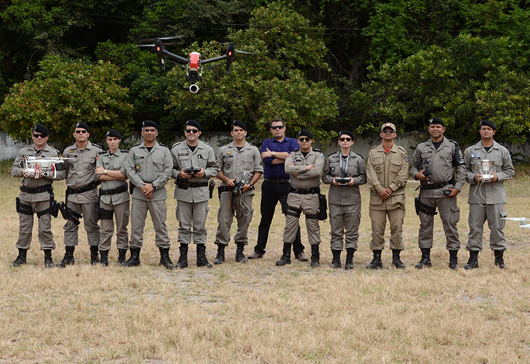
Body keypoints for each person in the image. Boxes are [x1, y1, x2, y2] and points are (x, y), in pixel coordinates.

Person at [410, 117, 466, 269]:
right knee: (425, 225)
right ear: (428, 129)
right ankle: (425, 258)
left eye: (438, 127)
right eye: (432, 126)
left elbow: (461, 168)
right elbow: (413, 166)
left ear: (443, 129)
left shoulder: (452, 146)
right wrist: (417, 175)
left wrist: (458, 188)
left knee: (450, 224)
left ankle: (453, 259)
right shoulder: (421, 146)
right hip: (426, 193)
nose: (435, 129)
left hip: (446, 192)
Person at [249, 118, 307, 263]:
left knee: (292, 218)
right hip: (269, 184)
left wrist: (273, 154)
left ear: (284, 128)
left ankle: (299, 251)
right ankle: (259, 250)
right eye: (274, 127)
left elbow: (295, 157)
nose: (277, 129)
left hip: (288, 184)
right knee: (265, 219)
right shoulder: (266, 143)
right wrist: (285, 157)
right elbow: (266, 160)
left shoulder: (293, 142)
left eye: (280, 127)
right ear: (271, 130)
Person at [10, 124, 66, 268]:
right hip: (25, 195)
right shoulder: (24, 151)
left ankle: (48, 258)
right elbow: (13, 170)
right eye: (36, 135)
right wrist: (23, 171)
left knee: (45, 228)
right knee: (24, 228)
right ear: (32, 136)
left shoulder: (53, 153)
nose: (39, 138)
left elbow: (61, 174)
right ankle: (21, 256)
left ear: (47, 137)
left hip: (43, 195)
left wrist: (45, 174)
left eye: (42, 135)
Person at [463, 119, 514, 269]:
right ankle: (473, 259)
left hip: (496, 195)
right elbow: (463, 171)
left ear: (494, 132)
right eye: (483, 129)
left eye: (489, 129)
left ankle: (499, 259)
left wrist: (497, 176)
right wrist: (474, 177)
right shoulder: (470, 151)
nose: (486, 131)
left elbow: (510, 171)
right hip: (477, 196)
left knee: (497, 227)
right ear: (479, 131)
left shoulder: (502, 151)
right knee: (474, 227)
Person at [124, 120, 174, 269]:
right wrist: (142, 186)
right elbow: (129, 170)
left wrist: (153, 186)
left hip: (157, 193)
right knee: (136, 226)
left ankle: (164, 257)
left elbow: (168, 171)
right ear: (142, 132)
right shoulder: (134, 151)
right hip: (139, 194)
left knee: (160, 225)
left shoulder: (164, 151)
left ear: (157, 133)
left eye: (152, 130)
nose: (149, 133)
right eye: (146, 130)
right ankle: (134, 257)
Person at [213, 120, 263, 264]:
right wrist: (226, 179)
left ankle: (240, 251)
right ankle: (220, 251)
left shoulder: (253, 150)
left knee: (245, 220)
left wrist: (250, 184)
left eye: (241, 130)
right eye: (236, 130)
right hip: (227, 191)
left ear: (245, 133)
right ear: (232, 133)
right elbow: (216, 169)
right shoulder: (223, 150)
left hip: (245, 192)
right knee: (223, 220)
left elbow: (258, 171)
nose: (239, 132)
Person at [171, 120, 219, 269]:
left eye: (194, 130)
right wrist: (179, 173)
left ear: (199, 133)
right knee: (184, 225)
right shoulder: (176, 149)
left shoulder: (207, 149)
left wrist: (204, 173)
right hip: (183, 190)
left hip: (201, 191)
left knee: (200, 225)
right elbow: (169, 169)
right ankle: (183, 258)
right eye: (188, 131)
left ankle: (201, 258)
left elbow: (215, 168)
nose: (191, 133)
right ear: (184, 132)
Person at [276, 129, 325, 268]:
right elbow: (287, 169)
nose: (304, 141)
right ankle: (286, 256)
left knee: (313, 226)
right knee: (290, 225)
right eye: (301, 139)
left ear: (311, 140)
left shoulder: (318, 155)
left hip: (311, 195)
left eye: (307, 139)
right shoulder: (292, 154)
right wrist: (306, 169)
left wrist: (297, 171)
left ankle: (315, 257)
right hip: (294, 195)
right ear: (298, 141)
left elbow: (316, 172)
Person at [365, 123, 409, 269]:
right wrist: (380, 189)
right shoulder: (373, 153)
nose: (388, 133)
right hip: (377, 198)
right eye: (385, 131)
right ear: (381, 134)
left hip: (396, 198)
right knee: (377, 229)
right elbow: (370, 174)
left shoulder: (401, 153)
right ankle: (376, 259)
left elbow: (403, 174)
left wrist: (390, 189)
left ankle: (396, 259)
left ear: (395, 135)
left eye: (391, 131)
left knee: (397, 228)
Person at [58, 122, 102, 267]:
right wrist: (46, 172)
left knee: (91, 225)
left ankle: (94, 255)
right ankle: (69, 256)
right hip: (72, 195)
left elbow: (101, 173)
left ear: (88, 134)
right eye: (78, 131)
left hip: (89, 193)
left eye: (84, 131)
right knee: (70, 224)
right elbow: (64, 172)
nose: (81, 133)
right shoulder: (67, 151)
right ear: (74, 134)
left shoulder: (97, 151)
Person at [322, 130, 366, 270]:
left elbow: (364, 177)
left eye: (348, 139)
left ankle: (349, 259)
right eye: (342, 139)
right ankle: (336, 260)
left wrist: (354, 180)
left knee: (352, 231)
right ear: (339, 142)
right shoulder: (331, 158)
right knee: (336, 230)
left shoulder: (358, 159)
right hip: (335, 199)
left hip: (352, 200)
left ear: (352, 142)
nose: (345, 141)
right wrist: (332, 180)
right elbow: (324, 177)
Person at [95, 129, 130, 266]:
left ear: (119, 140)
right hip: (105, 199)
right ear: (106, 140)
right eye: (110, 139)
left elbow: (124, 175)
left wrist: (105, 171)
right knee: (105, 229)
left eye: (115, 139)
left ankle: (121, 257)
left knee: (122, 228)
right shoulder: (101, 156)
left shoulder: (126, 156)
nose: (113, 142)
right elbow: (99, 176)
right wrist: (109, 173)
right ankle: (104, 257)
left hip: (121, 198)